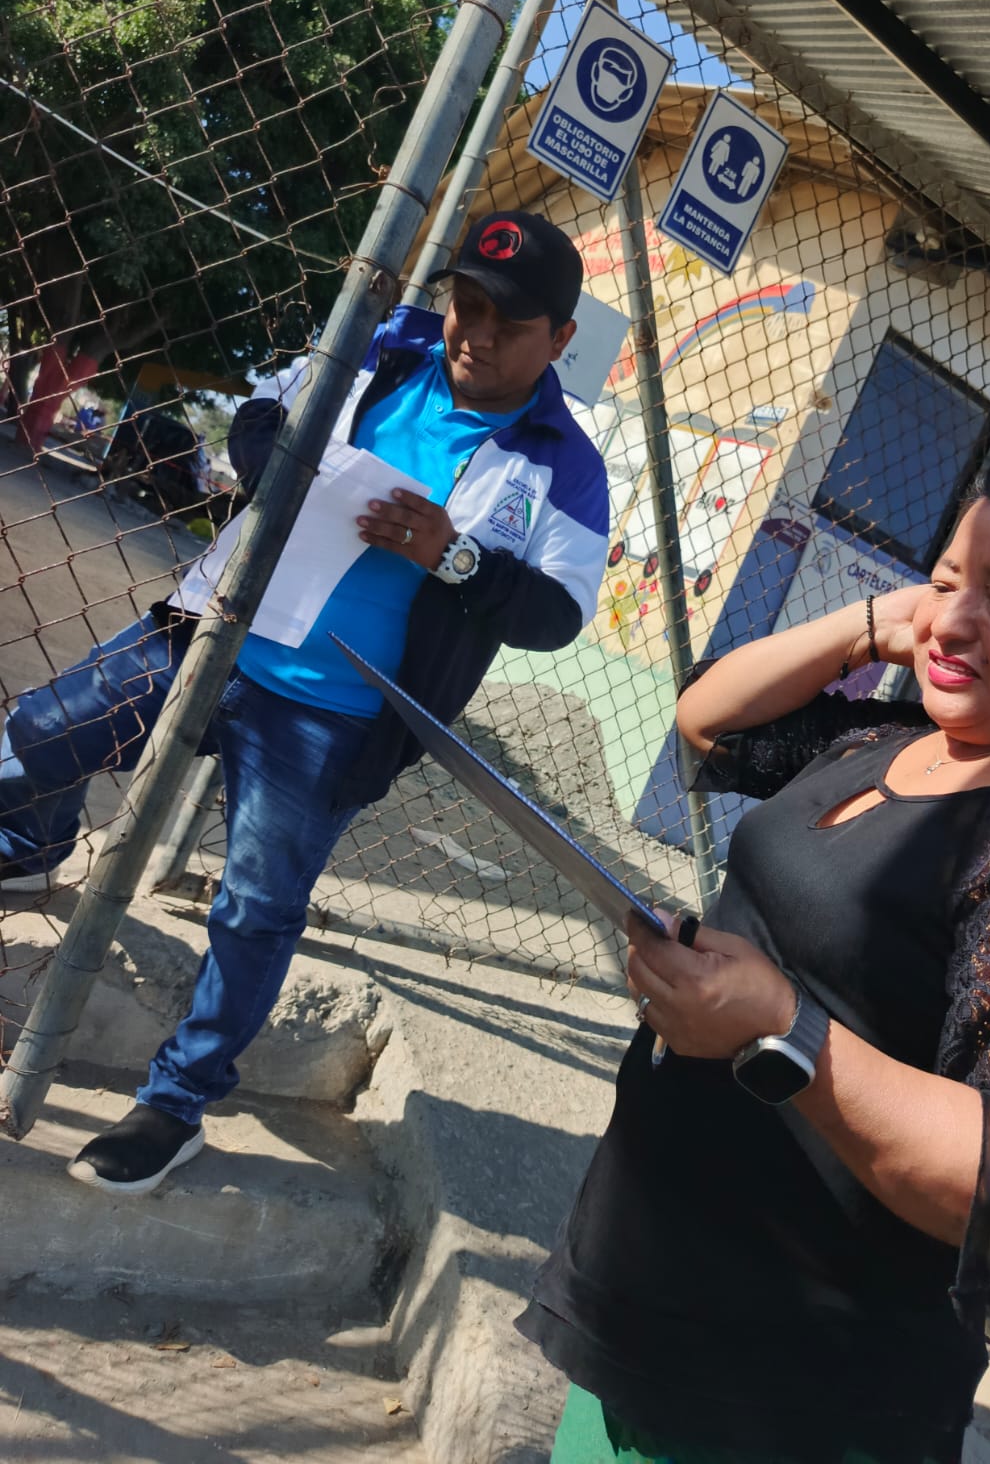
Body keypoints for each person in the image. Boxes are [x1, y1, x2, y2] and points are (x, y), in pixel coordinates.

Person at [517, 450, 990, 1464]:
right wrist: (878, 621)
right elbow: (708, 718)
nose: (953, 623)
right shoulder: (899, 738)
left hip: (786, 1395)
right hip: (654, 1305)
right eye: (948, 580)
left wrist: (778, 1030)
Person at [0, 210, 609, 1194]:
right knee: (42, 730)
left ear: (561, 339)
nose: (479, 334)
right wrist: (281, 465)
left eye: (511, 323)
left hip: (331, 711)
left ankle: (177, 1101)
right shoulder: (384, 351)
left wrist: (452, 556)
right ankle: (33, 841)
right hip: (213, 629)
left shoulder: (564, 463)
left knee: (256, 905)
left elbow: (557, 613)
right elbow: (257, 418)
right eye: (468, 304)